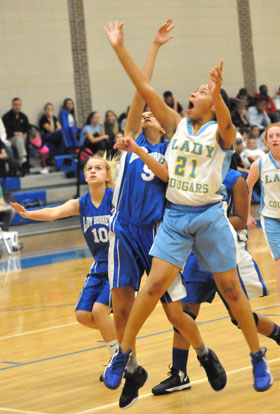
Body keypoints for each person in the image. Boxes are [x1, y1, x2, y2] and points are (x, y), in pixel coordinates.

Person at [103, 20, 272, 394]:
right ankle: (124, 353)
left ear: (212, 105)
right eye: (196, 91)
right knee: (153, 288)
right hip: (177, 217)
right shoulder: (177, 125)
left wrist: (218, 92)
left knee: (231, 289)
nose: (193, 94)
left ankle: (256, 355)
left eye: (201, 92)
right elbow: (144, 89)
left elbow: (227, 122)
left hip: (209, 217)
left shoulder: (221, 133)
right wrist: (120, 48)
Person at [105, 19, 226, 409]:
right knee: (122, 307)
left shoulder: (176, 150)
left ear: (165, 122)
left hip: (157, 233)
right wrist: (151, 46)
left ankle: (205, 353)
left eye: (154, 114)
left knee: (176, 314)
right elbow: (142, 89)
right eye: (144, 113)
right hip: (124, 229)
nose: (147, 115)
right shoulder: (130, 142)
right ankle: (132, 369)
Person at [152, 167, 280, 395]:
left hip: (225, 252)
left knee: (240, 318)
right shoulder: (192, 176)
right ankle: (179, 373)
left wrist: (208, 223)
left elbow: (241, 220)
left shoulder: (235, 179)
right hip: (196, 253)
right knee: (184, 312)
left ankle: (278, 335)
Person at [10, 155, 118, 369]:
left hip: (120, 265)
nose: (93, 171)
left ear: (107, 176)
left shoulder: (117, 198)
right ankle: (121, 337)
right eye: (89, 168)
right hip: (99, 265)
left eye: (98, 168)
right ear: (85, 175)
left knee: (99, 311)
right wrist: (28, 214)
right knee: (83, 315)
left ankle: (119, 358)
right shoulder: (81, 203)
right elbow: (54, 212)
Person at [247, 123, 280, 298]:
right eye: (271, 136)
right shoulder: (259, 164)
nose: (275, 139)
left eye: (278, 135)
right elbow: (247, 187)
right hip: (271, 217)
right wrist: (246, 214)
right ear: (266, 141)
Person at [2, 98, 30, 170]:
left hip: (22, 137)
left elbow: (27, 128)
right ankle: (23, 159)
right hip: (10, 138)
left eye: (19, 105)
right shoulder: (6, 117)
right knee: (18, 139)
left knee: (30, 136)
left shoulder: (23, 116)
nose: (17, 107)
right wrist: (15, 133)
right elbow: (4, 132)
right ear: (12, 106)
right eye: (15, 105)